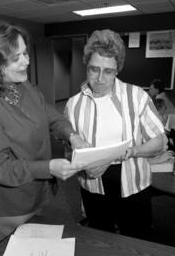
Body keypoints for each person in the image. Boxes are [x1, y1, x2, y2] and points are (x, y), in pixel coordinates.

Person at [0, 21, 86, 243]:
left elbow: (50, 115)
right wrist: (47, 167)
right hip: (10, 201)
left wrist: (71, 135)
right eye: (16, 58)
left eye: (26, 53)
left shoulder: (22, 86)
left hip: (39, 190)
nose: (26, 61)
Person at [65, 29, 166, 240]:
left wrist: (131, 151)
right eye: (94, 69)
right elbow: (69, 152)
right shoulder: (73, 105)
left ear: (117, 70)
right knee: (101, 240)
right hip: (93, 184)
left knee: (138, 240)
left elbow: (159, 141)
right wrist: (83, 165)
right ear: (86, 66)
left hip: (133, 183)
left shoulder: (137, 97)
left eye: (108, 71)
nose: (100, 78)